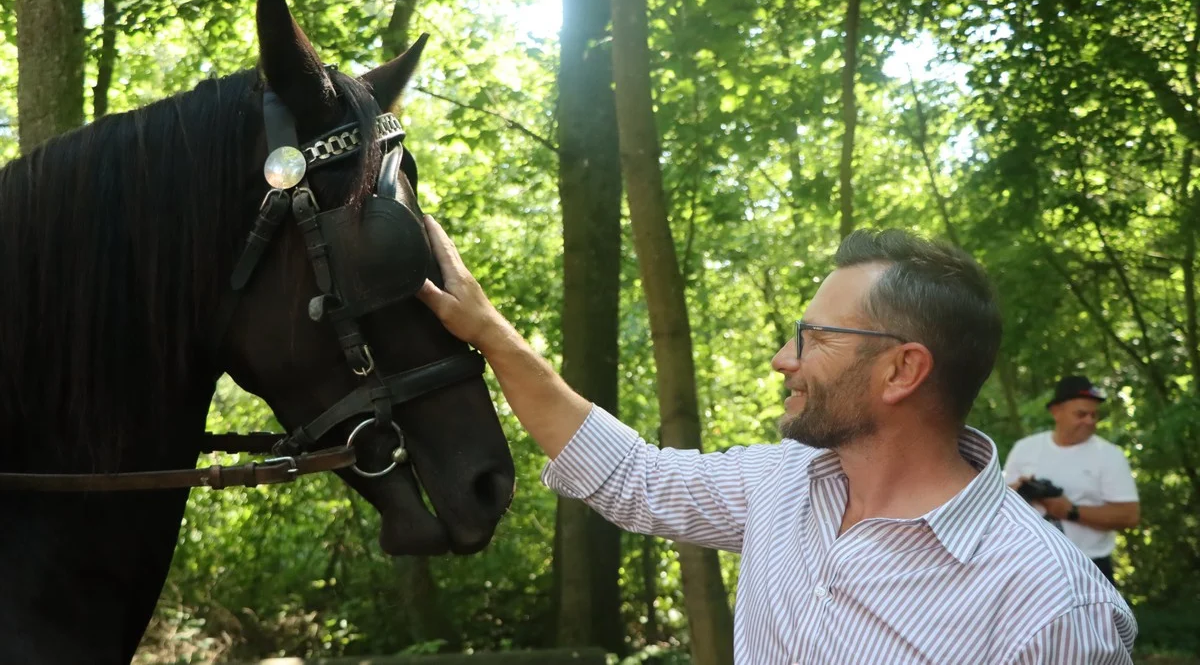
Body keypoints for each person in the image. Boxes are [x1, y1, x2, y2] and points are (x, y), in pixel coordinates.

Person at [415, 220, 1137, 663]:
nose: (782, 359)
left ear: (903, 369)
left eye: (815, 337)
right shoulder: (783, 483)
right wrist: (488, 333)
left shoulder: (1053, 609)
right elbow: (631, 476)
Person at [1003, 375, 1140, 588]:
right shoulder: (1025, 449)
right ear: (1056, 411)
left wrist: (1070, 511)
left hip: (1089, 567)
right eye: (1081, 414)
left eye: (1094, 415)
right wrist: (1021, 490)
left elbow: (1130, 515)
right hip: (1031, 565)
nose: (1090, 421)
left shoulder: (1109, 455)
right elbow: (1001, 502)